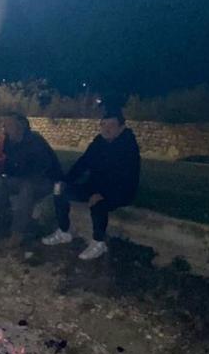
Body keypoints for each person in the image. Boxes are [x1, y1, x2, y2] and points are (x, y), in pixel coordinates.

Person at [41, 109, 141, 260]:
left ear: (121, 128)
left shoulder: (128, 147)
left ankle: (98, 243)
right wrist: (65, 180)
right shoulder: (99, 142)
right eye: (103, 125)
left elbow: (126, 178)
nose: (106, 128)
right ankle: (64, 231)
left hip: (121, 191)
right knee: (60, 191)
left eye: (111, 125)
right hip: (95, 186)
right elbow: (83, 163)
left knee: (98, 203)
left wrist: (104, 194)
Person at [0, 113, 62, 244]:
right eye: (5, 125)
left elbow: (42, 168)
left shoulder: (35, 141)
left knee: (27, 189)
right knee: (2, 185)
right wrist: (1, 173)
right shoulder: (9, 141)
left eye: (8, 125)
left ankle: (17, 232)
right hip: (23, 178)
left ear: (20, 127)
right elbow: (10, 164)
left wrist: (19, 174)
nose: (4, 128)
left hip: (45, 181)